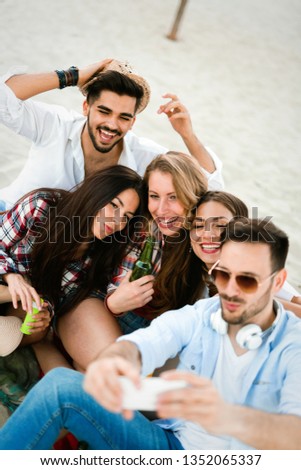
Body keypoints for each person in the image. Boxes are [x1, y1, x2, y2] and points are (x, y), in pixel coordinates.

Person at [1, 218, 301, 450]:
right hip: (170, 447)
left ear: (278, 282)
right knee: (60, 387)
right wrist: (116, 359)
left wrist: (226, 417)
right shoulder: (203, 314)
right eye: (222, 275)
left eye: (247, 281)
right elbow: (151, 340)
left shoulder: (293, 344)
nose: (230, 291)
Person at [0, 58, 223, 212]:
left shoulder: (142, 155)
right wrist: (74, 76)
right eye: (104, 111)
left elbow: (211, 188)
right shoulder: (55, 125)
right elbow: (4, 97)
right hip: (7, 216)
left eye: (124, 117)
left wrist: (188, 135)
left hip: (56, 249)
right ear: (86, 107)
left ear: (133, 122)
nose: (111, 125)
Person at [57, 151, 209, 371]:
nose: (161, 209)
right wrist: (114, 304)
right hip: (93, 304)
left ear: (191, 196)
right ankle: (50, 353)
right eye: (154, 196)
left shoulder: (203, 234)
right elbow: (114, 282)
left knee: (90, 375)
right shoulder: (143, 229)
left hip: (151, 329)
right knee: (115, 374)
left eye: (173, 197)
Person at [0, 165, 143, 369]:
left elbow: (55, 295)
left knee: (34, 327)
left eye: (126, 217)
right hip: (6, 280)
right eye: (113, 205)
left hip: (24, 302)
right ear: (95, 193)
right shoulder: (41, 207)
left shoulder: (102, 253)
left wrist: (45, 311)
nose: (117, 221)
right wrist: (11, 278)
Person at [189, 191, 301, 314]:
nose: (207, 235)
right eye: (198, 226)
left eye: (221, 226)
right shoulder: (193, 277)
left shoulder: (258, 276)